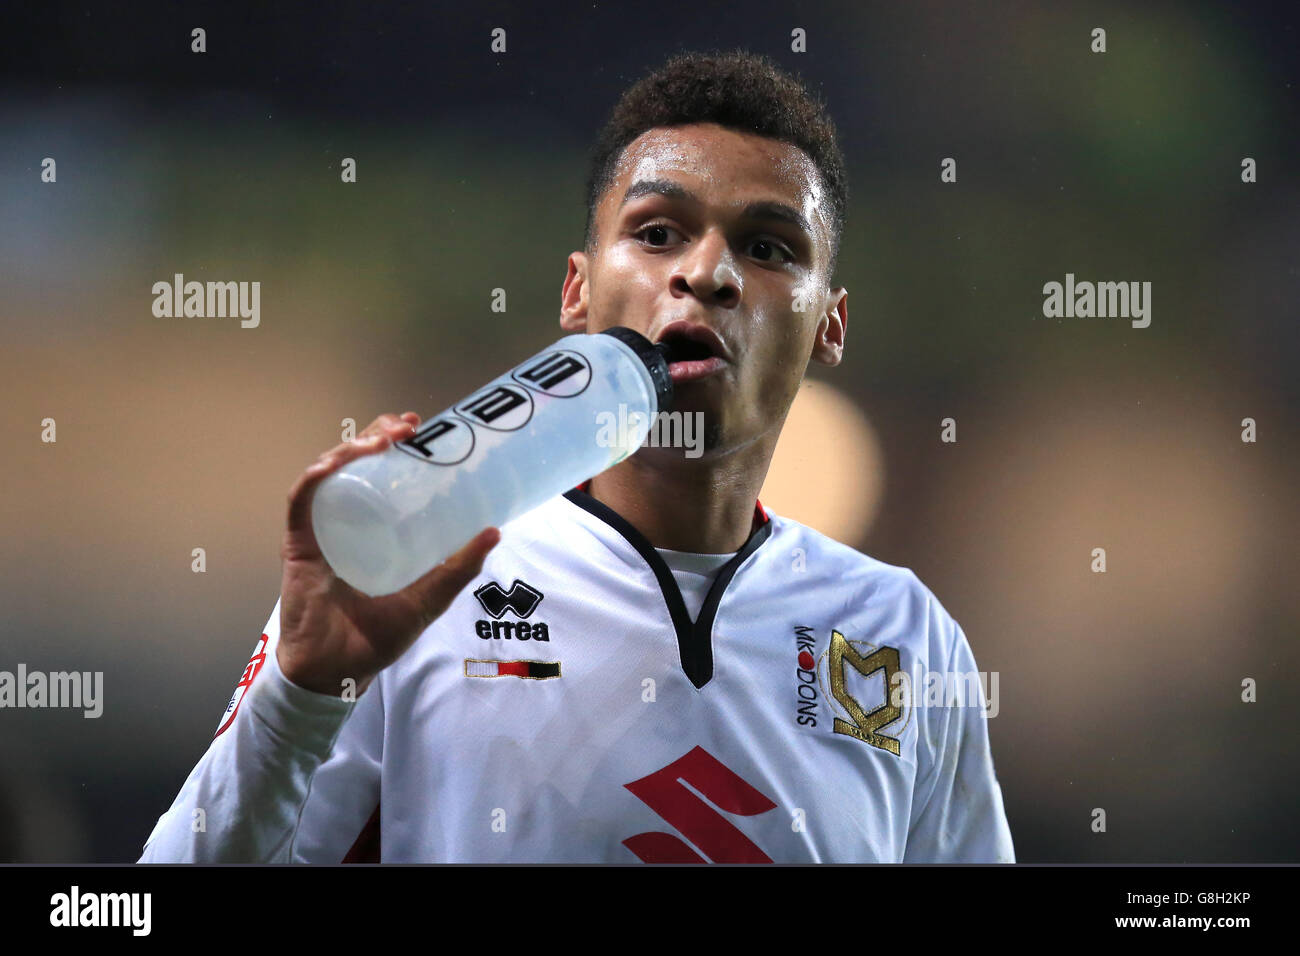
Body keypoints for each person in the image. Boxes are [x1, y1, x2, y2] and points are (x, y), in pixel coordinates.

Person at [139, 49, 1014, 863]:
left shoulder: (905, 635)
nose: (707, 272)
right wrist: (302, 686)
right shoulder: (413, 576)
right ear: (577, 291)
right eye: (659, 232)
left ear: (829, 324)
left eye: (768, 248)